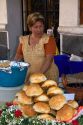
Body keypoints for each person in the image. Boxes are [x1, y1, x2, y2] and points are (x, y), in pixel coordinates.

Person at [14, 12, 59, 82]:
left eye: (41, 26)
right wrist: (13, 67)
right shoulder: (23, 40)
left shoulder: (49, 40)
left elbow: (49, 60)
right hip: (30, 76)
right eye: (36, 27)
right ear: (30, 28)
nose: (39, 30)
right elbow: (19, 55)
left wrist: (37, 77)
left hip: (47, 76)